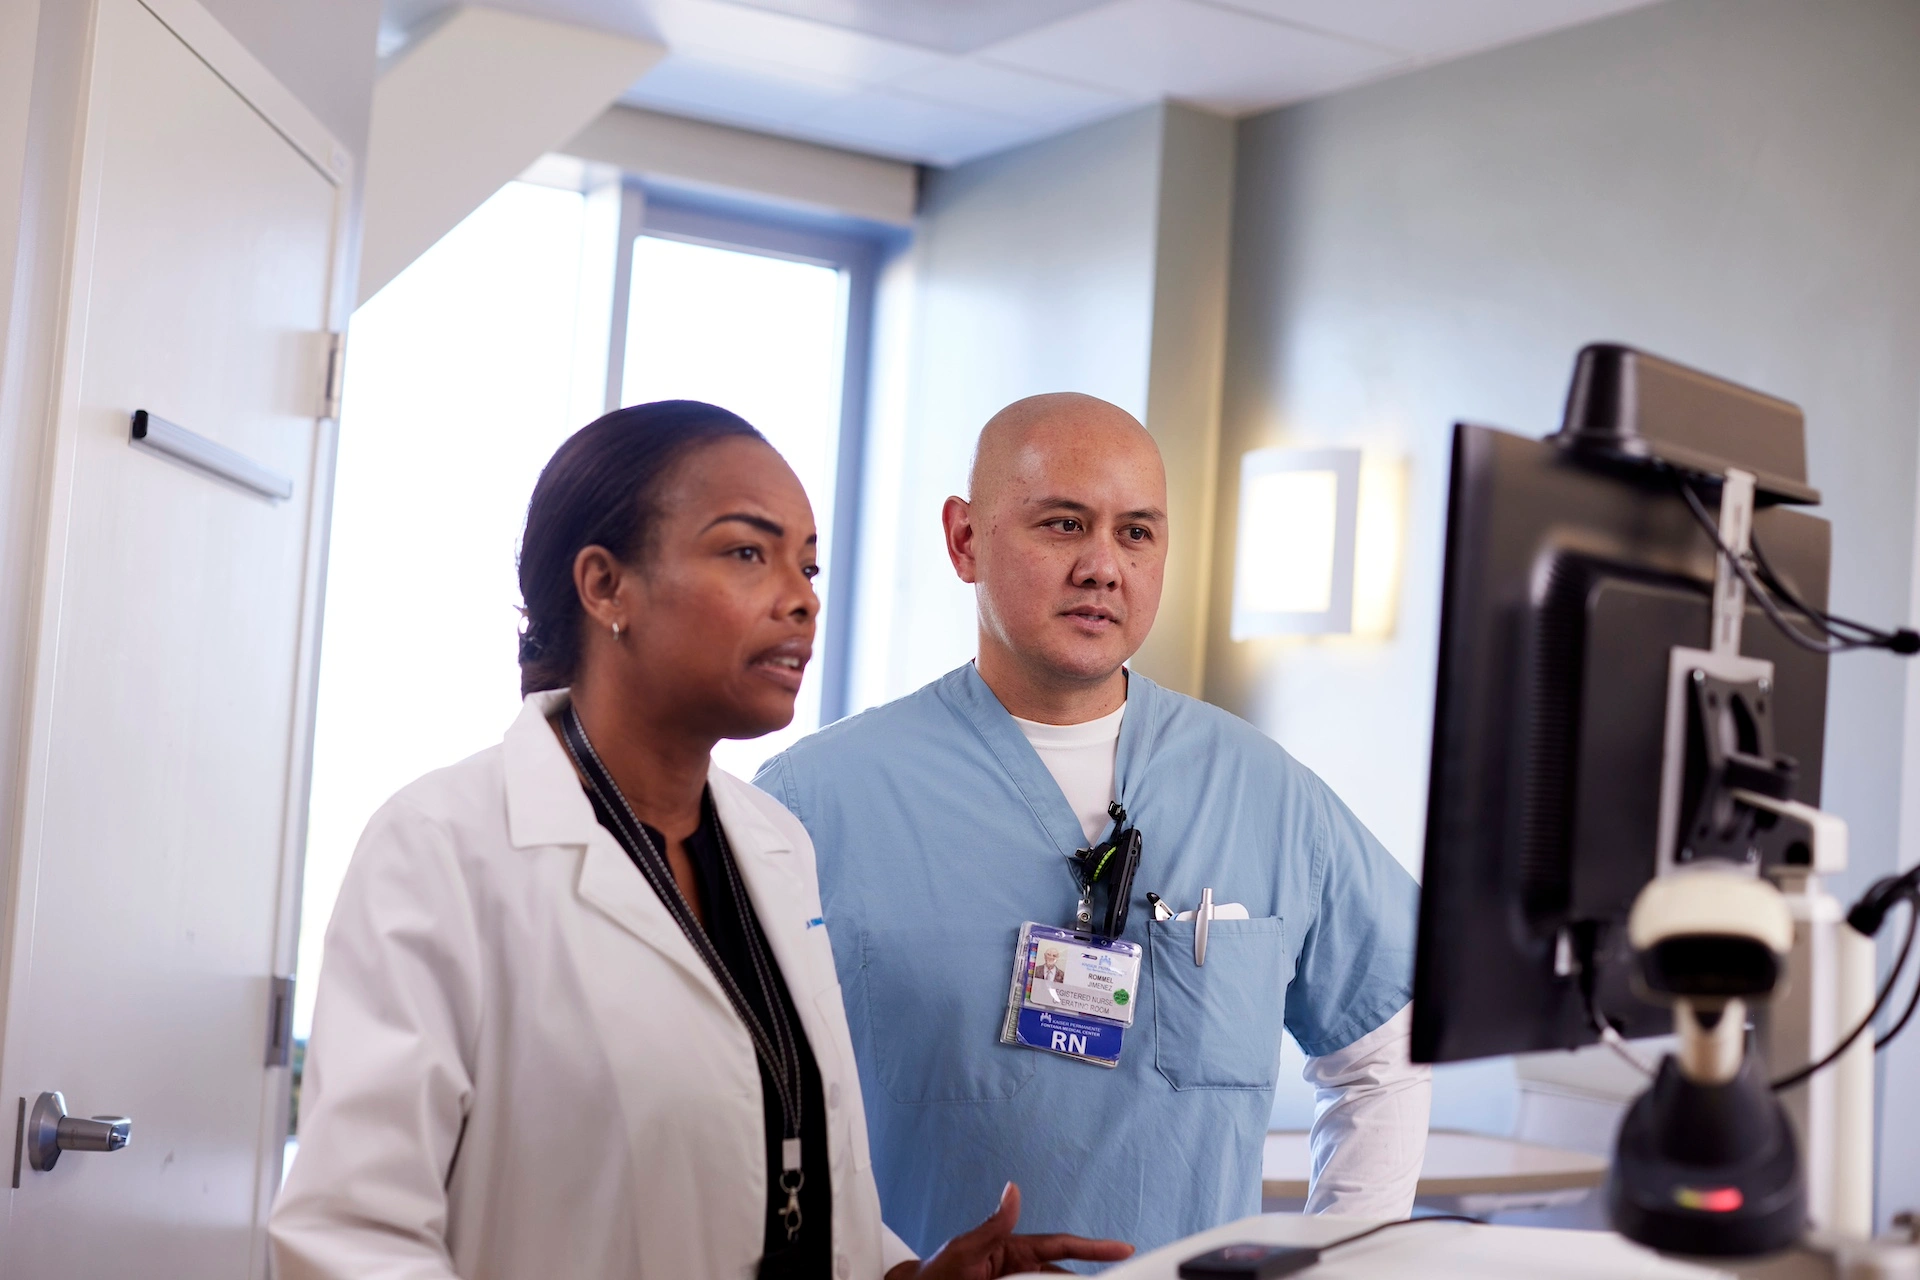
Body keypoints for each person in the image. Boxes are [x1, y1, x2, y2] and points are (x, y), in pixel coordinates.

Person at [269, 401, 1131, 1280]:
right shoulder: (444, 847)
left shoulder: (774, 845)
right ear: (605, 586)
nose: (801, 598)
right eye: (747, 553)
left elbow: (788, 1167)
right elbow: (352, 1239)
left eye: (810, 563)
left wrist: (905, 1278)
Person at [756, 393, 1431, 1258]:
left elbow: (1388, 1042)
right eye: (1064, 525)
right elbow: (745, 1102)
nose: (1103, 567)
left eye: (1136, 533)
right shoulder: (814, 801)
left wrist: (1338, 1266)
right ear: (965, 540)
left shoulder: (1264, 791)